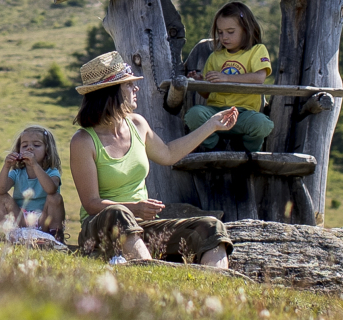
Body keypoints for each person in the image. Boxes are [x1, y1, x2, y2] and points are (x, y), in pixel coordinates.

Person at [67, 51, 239, 267]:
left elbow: (168, 153)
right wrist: (134, 208)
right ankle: (151, 274)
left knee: (212, 227)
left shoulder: (138, 124)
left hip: (143, 228)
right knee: (118, 213)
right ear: (111, 92)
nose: (135, 88)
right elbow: (91, 204)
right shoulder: (83, 141)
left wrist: (211, 125)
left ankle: (211, 289)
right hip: (101, 228)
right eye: (129, 84)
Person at [183, 1, 276, 152]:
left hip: (244, 114)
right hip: (216, 114)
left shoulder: (257, 50)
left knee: (262, 124)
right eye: (220, 32)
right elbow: (206, 93)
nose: (224, 37)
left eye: (230, 32)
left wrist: (226, 78)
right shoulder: (215, 56)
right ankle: (214, 145)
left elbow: (259, 78)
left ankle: (247, 148)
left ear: (246, 29)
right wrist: (201, 82)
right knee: (194, 115)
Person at [0, 125, 65, 242]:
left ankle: (55, 238)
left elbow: (51, 189)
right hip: (20, 219)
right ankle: (0, 235)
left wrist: (35, 165)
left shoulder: (52, 171)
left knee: (55, 198)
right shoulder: (17, 172)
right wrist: (6, 167)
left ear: (47, 149)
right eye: (24, 146)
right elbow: (0, 190)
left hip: (43, 220)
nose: (30, 148)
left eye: (36, 145)